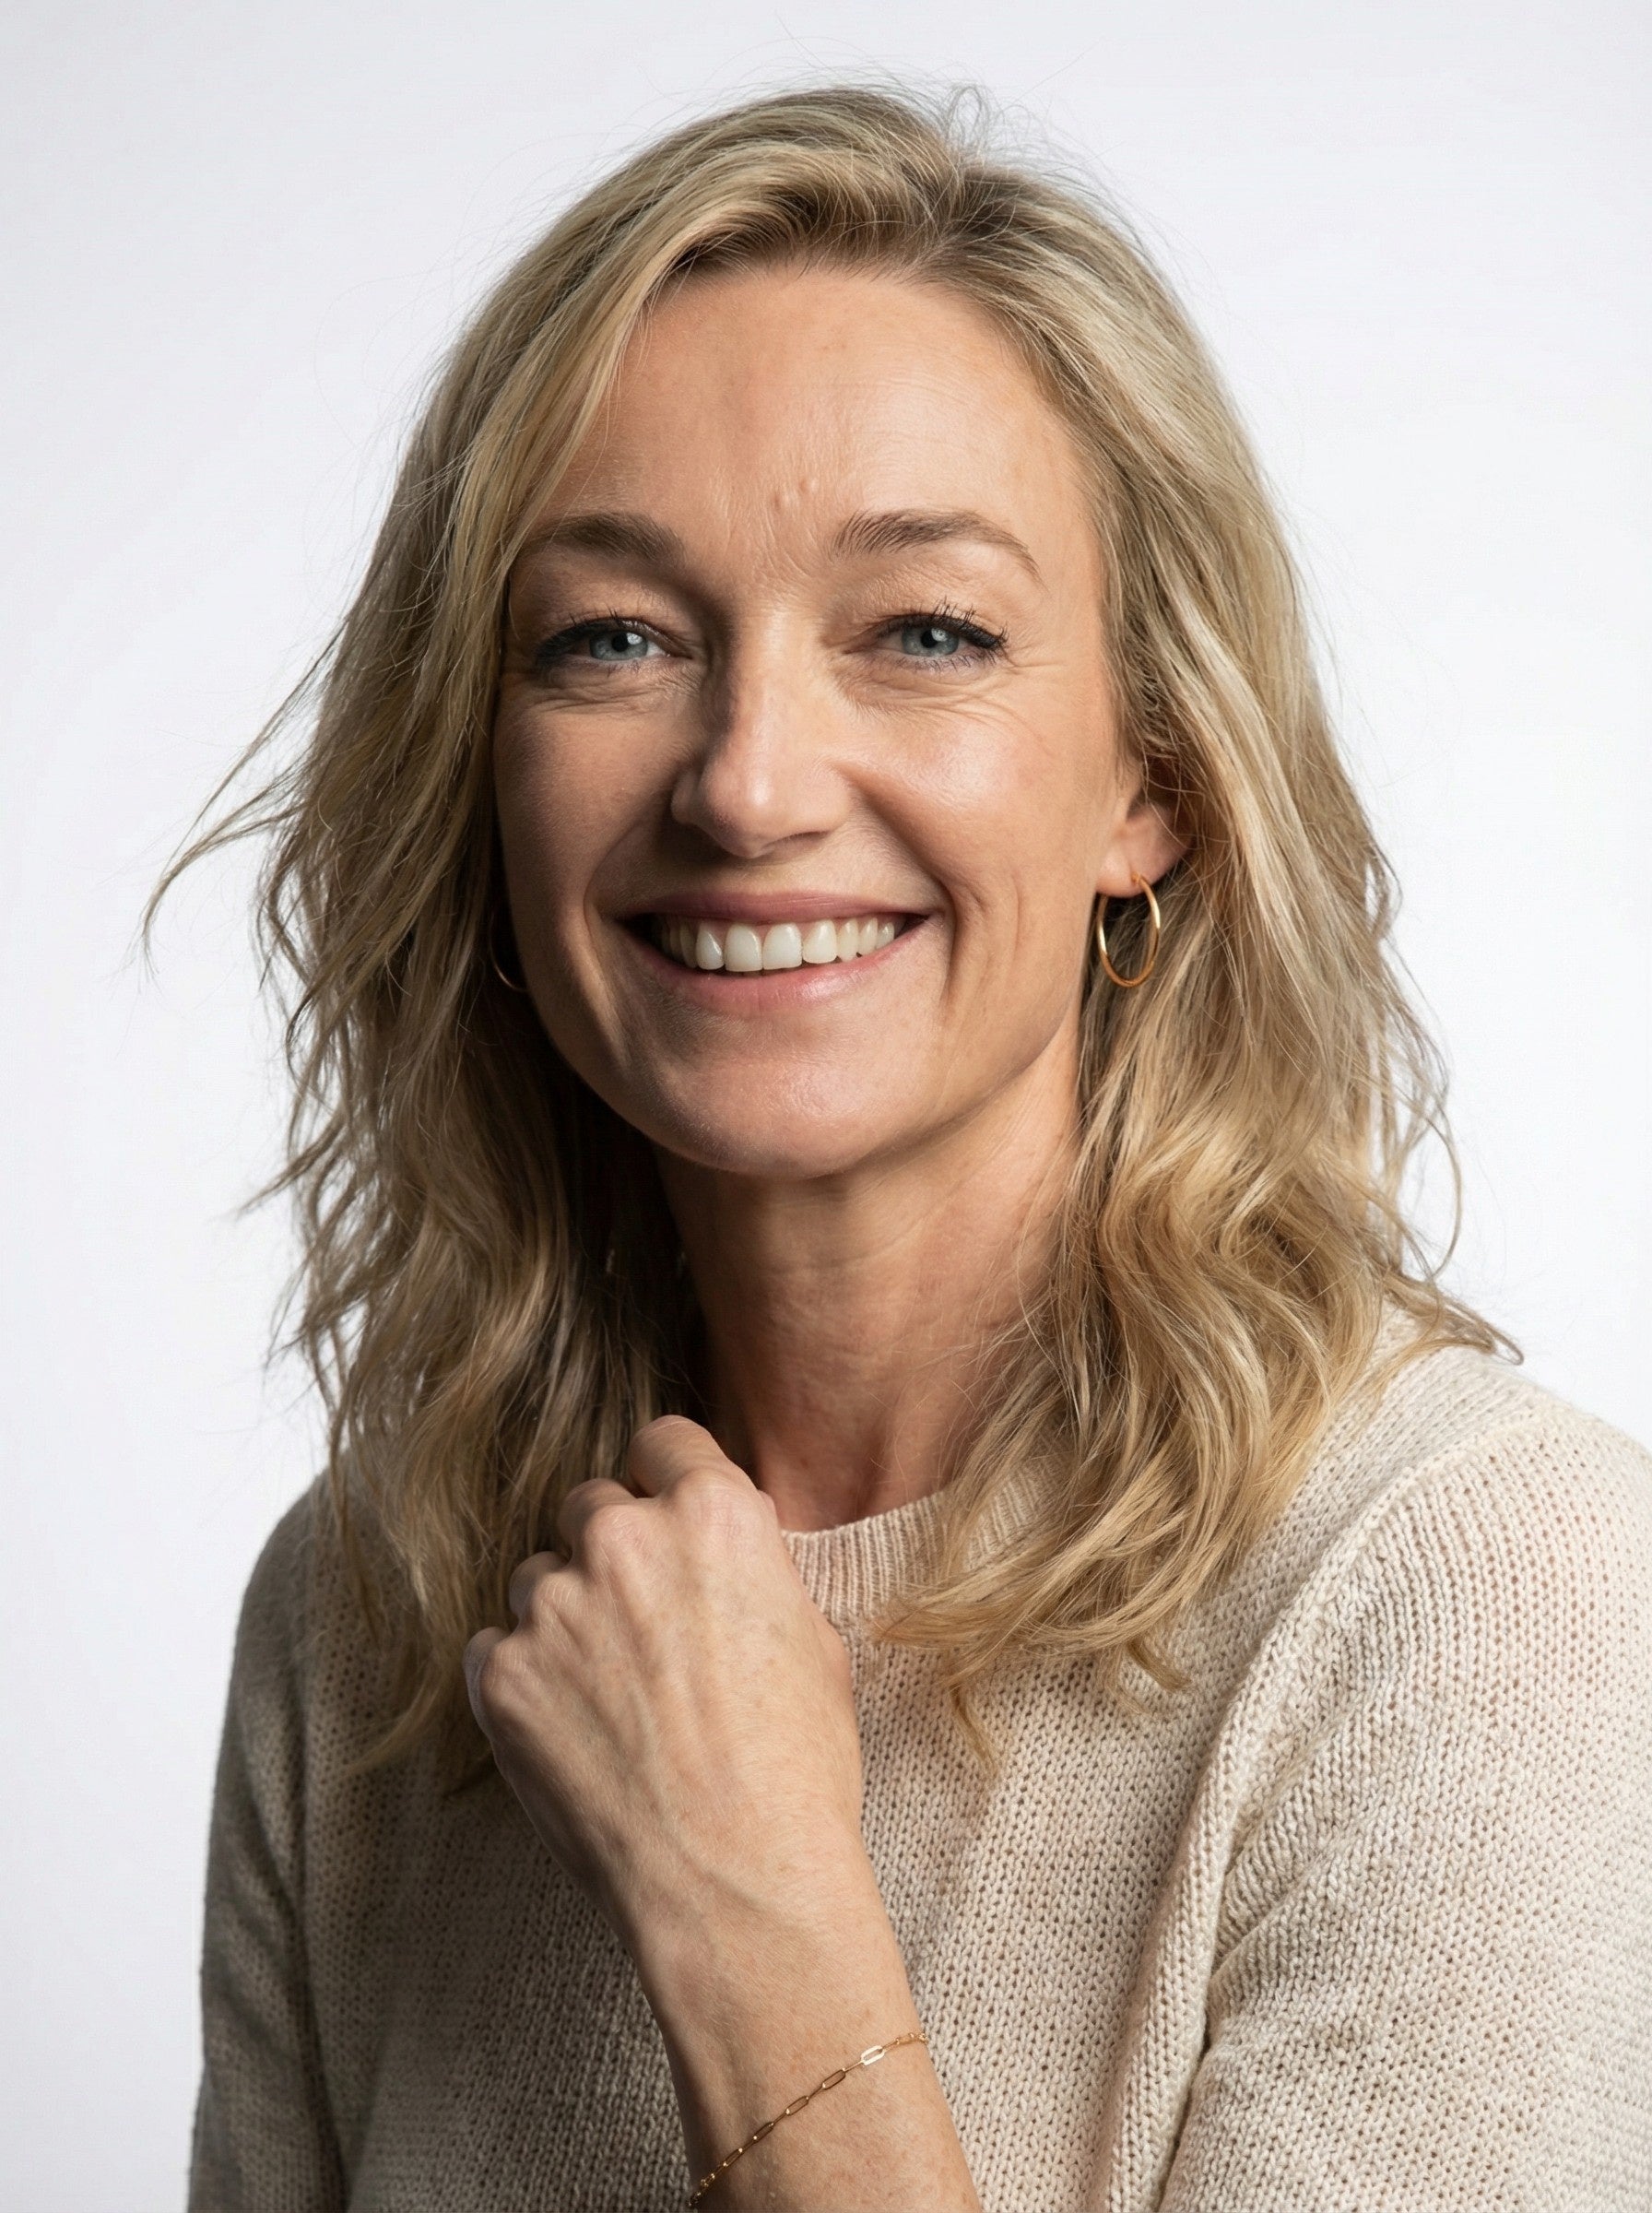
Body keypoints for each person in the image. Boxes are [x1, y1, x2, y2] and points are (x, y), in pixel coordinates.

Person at [162, 80, 1652, 2213]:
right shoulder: (370, 1617)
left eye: (923, 631)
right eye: (613, 638)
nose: (750, 782)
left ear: (1150, 778)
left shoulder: (1489, 1603)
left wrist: (754, 1918)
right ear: (478, 781)